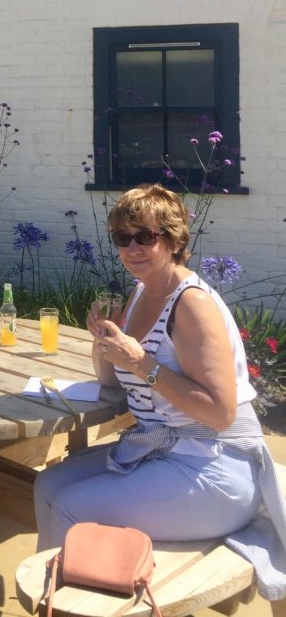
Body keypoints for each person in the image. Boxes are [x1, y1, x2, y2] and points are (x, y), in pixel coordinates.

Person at [34, 184, 286, 599]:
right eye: (123, 238)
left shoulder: (191, 304)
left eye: (146, 237)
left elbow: (220, 414)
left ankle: (67, 603)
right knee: (47, 486)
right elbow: (113, 381)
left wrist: (142, 363)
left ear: (173, 240)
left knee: (71, 506)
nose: (132, 248)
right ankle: (57, 596)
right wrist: (105, 340)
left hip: (215, 470)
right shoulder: (140, 293)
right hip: (164, 454)